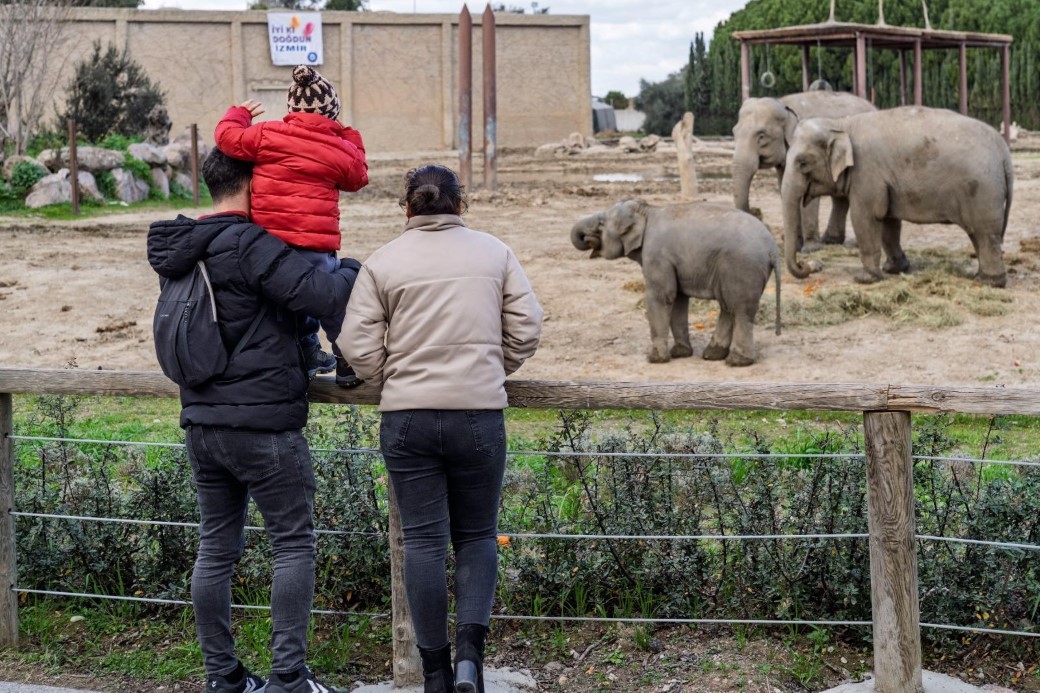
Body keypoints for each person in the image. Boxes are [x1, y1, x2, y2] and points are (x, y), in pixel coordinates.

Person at [147, 148, 359, 693]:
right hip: (263, 426)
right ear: (255, 182)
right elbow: (325, 292)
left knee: (216, 546)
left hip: (200, 423)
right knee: (293, 542)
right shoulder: (248, 243)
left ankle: (224, 678)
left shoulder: (181, 249)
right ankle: (288, 678)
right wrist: (352, 266)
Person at [339, 164, 543, 693]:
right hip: (478, 415)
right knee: (477, 536)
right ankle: (471, 663)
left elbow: (356, 346)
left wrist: (393, 377)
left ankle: (434, 674)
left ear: (406, 208)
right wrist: (492, 370)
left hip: (407, 418)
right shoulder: (495, 253)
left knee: (424, 544)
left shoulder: (382, 262)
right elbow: (526, 327)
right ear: (462, 204)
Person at [215, 64, 368, 387]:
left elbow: (227, 139)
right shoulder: (338, 148)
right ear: (331, 114)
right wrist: (349, 135)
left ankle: (307, 350)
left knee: (288, 299)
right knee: (331, 300)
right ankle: (347, 362)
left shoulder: (268, 133)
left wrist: (239, 114)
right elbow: (358, 176)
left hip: (270, 245)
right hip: (315, 246)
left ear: (290, 109)